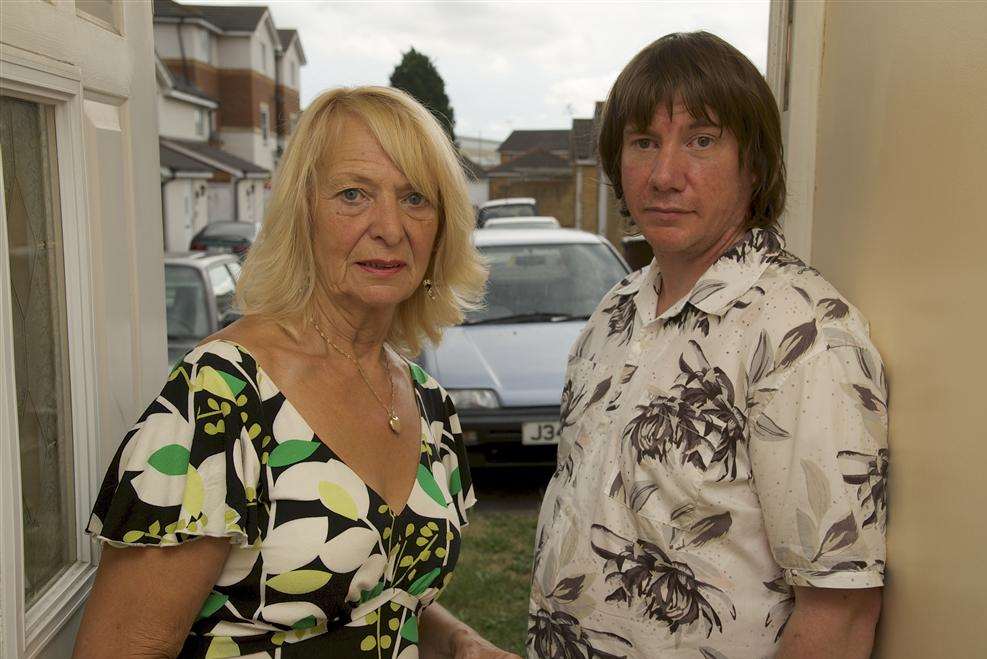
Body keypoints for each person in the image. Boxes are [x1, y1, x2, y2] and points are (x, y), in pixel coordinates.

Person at [74, 86, 518, 658]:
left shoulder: (428, 404)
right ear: (301, 213)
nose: (389, 226)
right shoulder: (222, 396)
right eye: (354, 194)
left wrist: (456, 639)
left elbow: (378, 592)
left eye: (414, 198)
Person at [528, 32, 888, 658]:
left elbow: (842, 610)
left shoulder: (803, 334)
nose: (665, 176)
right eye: (644, 142)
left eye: (702, 140)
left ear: (755, 163)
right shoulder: (615, 312)